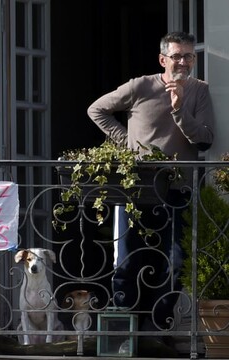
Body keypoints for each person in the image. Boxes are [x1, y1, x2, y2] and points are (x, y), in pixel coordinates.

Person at [87, 32, 214, 335]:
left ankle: (158, 330)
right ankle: (123, 334)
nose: (183, 62)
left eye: (189, 56)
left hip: (178, 188)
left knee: (175, 262)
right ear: (163, 59)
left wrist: (179, 109)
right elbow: (97, 110)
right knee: (128, 259)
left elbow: (205, 140)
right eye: (177, 56)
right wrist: (127, 144)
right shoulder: (141, 85)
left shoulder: (199, 91)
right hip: (136, 189)